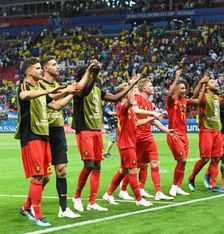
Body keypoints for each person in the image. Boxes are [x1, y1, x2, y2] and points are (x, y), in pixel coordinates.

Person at [72, 60, 139, 212]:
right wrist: (93, 72)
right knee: (88, 165)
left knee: (97, 166)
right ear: (85, 75)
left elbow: (115, 98)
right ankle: (77, 196)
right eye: (93, 74)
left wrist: (132, 85)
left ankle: (92, 202)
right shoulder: (78, 89)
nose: (97, 76)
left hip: (96, 130)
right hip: (84, 129)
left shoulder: (97, 90)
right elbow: (85, 90)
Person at [17, 57, 76, 226]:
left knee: (44, 176)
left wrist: (70, 92)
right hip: (31, 135)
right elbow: (25, 95)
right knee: (38, 176)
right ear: (29, 72)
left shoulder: (41, 90)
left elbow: (56, 105)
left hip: (44, 135)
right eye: (37, 68)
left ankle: (27, 207)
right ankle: (37, 216)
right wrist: (49, 91)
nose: (40, 71)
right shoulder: (25, 86)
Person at [39, 56, 82, 219]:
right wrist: (71, 92)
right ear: (45, 68)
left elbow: (70, 92)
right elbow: (57, 105)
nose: (58, 67)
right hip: (43, 131)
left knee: (62, 170)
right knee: (45, 176)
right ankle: (29, 204)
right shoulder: (40, 86)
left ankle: (63, 209)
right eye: (54, 65)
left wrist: (73, 89)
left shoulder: (57, 86)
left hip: (57, 131)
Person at [102, 80, 157, 207]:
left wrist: (151, 118)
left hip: (129, 143)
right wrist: (133, 85)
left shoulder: (129, 109)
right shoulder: (122, 106)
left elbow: (136, 123)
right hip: (126, 144)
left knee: (124, 171)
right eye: (129, 90)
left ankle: (108, 194)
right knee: (133, 171)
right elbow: (131, 102)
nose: (133, 91)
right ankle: (139, 199)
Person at [135, 78, 176, 200]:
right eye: (150, 85)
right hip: (137, 138)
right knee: (132, 167)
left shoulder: (148, 103)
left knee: (154, 163)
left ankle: (158, 192)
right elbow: (136, 111)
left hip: (148, 136)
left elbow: (154, 121)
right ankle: (120, 190)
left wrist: (167, 130)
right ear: (143, 88)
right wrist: (153, 114)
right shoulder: (137, 99)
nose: (153, 87)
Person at [166, 69, 205, 196]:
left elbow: (198, 101)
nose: (184, 90)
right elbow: (169, 94)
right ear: (176, 89)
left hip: (184, 135)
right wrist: (176, 78)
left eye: (185, 88)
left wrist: (202, 86)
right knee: (181, 160)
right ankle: (173, 186)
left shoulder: (184, 101)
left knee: (183, 161)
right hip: (174, 134)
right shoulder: (171, 101)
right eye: (182, 88)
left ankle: (178, 187)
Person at [188, 77, 224, 192]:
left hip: (217, 130)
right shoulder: (203, 97)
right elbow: (196, 98)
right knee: (205, 159)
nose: (216, 83)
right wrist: (201, 84)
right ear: (207, 86)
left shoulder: (217, 98)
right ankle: (191, 177)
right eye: (213, 82)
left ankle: (213, 185)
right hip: (206, 130)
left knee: (216, 158)